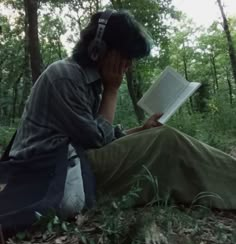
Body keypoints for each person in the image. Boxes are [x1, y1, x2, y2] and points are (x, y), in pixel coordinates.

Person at [1, 9, 236, 229]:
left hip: (71, 162)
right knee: (166, 142)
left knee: (156, 135)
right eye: (126, 56)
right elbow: (98, 141)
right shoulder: (65, 77)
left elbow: (98, 135)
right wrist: (112, 90)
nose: (128, 65)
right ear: (98, 49)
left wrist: (140, 130)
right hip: (53, 173)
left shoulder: (86, 79)